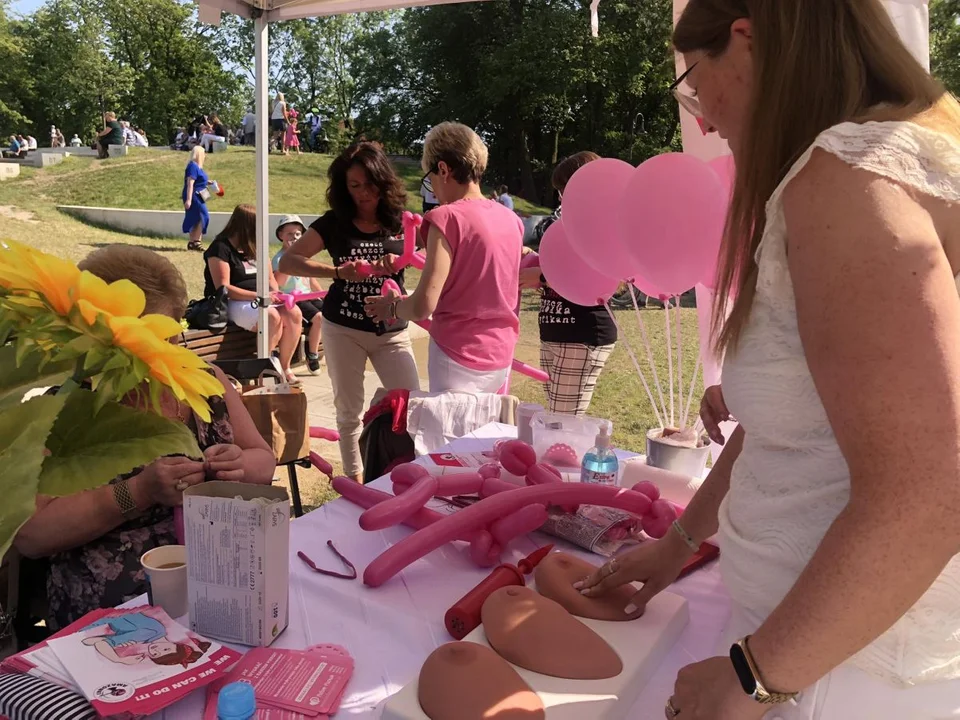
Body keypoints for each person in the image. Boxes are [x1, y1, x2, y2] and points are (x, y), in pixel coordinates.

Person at [578, 2, 960, 719]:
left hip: (841, 668)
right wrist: (678, 545)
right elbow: (806, 415)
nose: (707, 122)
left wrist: (754, 677)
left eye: (693, 85)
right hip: (827, 643)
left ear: (746, 43)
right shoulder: (907, 154)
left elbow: (930, 494)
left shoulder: (847, 175)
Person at [13, 245, 277, 629]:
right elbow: (32, 536)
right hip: (115, 615)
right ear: (96, 332)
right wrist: (137, 492)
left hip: (225, 580)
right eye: (142, 342)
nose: (159, 355)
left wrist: (238, 466)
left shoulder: (203, 380)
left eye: (167, 339)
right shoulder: (63, 411)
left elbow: (263, 459)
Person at [278, 142, 420, 483]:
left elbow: (432, 258)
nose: (363, 193)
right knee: (348, 411)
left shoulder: (401, 221)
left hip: (391, 330)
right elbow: (289, 260)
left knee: (414, 405)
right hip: (343, 328)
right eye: (353, 186)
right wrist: (338, 272)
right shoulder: (334, 222)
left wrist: (401, 261)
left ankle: (418, 474)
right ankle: (354, 482)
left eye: (369, 185)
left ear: (383, 181)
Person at [365, 122, 523, 394]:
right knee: (486, 434)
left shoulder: (445, 218)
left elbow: (423, 305)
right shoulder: (511, 219)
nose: (433, 188)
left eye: (430, 177)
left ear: (443, 169)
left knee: (451, 435)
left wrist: (390, 308)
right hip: (500, 353)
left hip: (457, 354)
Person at [520, 152, 617, 417]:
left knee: (562, 424)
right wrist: (536, 260)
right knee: (559, 420)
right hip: (561, 333)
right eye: (560, 191)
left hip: (581, 334)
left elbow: (596, 274)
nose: (561, 197)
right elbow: (567, 264)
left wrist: (541, 276)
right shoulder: (573, 224)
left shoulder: (603, 224)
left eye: (565, 188)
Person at [204, 204, 303, 384]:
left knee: (294, 312)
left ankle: (285, 366)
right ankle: (264, 369)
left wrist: (277, 293)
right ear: (246, 226)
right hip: (234, 301)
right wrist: (258, 296)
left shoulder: (256, 247)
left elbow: (271, 279)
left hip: (260, 298)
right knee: (271, 316)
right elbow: (223, 287)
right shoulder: (220, 248)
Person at [272, 214, 324, 374]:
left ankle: (318, 345)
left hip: (307, 295)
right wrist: (289, 262)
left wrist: (321, 293)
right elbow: (277, 283)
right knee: (319, 317)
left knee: (330, 311)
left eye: (297, 234)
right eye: (289, 234)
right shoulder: (279, 259)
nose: (293, 237)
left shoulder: (303, 256)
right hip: (292, 299)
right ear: (281, 235)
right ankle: (312, 354)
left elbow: (310, 279)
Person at [81, 612, 210, 667]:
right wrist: (119, 660)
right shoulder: (149, 633)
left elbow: (89, 642)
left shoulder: (154, 633)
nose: (156, 649)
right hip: (90, 624)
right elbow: (100, 643)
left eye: (155, 654)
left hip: (90, 626)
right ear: (175, 643)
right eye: (166, 649)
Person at [182, 146, 209, 252]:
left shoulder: (198, 167)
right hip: (194, 195)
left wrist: (208, 182)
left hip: (199, 195)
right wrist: (188, 200)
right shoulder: (192, 166)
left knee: (197, 218)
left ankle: (193, 242)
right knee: (204, 216)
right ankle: (196, 241)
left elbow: (198, 180)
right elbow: (190, 183)